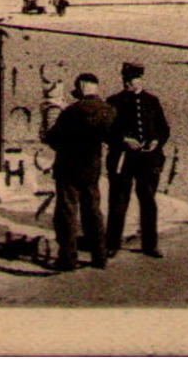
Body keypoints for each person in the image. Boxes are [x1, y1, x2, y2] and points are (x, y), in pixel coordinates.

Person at [41, 72, 116, 271]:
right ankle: (99, 257)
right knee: (93, 213)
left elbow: (54, 139)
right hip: (91, 169)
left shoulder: (71, 112)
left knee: (67, 214)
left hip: (68, 168)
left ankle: (68, 258)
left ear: (81, 87)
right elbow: (112, 138)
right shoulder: (108, 110)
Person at [105, 62, 172, 259]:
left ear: (140, 80)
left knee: (148, 201)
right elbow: (107, 131)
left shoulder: (152, 101)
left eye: (132, 80)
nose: (128, 84)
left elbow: (164, 128)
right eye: (126, 80)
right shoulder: (114, 101)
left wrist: (156, 142)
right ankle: (112, 243)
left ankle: (150, 244)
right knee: (118, 201)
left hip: (148, 159)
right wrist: (124, 140)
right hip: (123, 158)